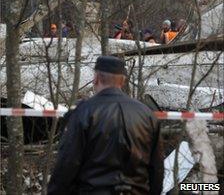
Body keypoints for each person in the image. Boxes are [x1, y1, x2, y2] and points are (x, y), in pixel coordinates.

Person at [48, 56, 164, 195]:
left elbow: (67, 164)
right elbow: (156, 169)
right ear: (123, 81)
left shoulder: (83, 112)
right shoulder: (147, 115)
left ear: (96, 78)